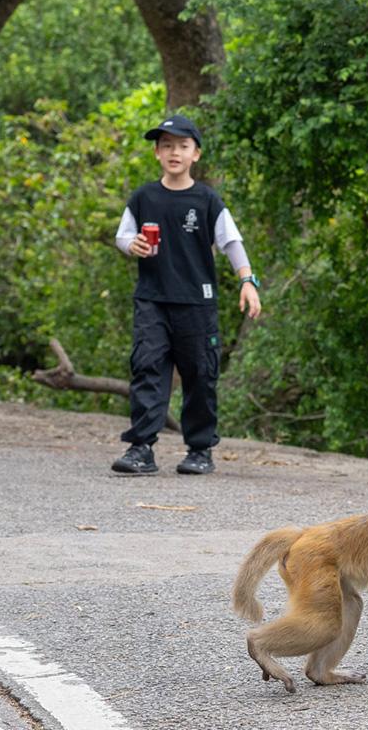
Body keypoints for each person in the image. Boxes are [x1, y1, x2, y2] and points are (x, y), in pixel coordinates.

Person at [111, 115, 261, 476]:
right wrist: (131, 245)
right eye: (166, 145)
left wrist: (247, 280)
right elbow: (122, 235)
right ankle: (141, 448)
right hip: (152, 298)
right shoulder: (144, 197)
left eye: (182, 146)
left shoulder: (207, 200)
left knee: (199, 373)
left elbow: (231, 242)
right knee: (147, 367)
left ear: (196, 154)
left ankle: (199, 450)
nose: (173, 152)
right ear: (156, 153)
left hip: (197, 301)